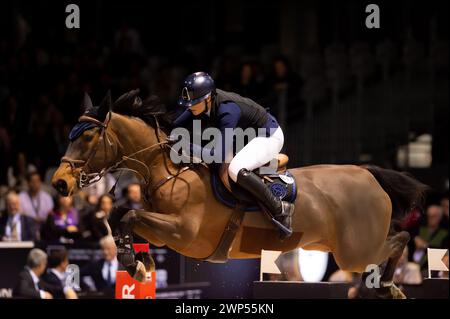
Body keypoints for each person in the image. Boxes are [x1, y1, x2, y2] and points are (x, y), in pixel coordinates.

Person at [172, 72, 293, 238]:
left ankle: (280, 209)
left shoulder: (227, 110)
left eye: (194, 102)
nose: (189, 106)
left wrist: (186, 146)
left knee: (236, 169)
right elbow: (173, 126)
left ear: (208, 99)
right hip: (245, 138)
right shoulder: (199, 105)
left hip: (268, 136)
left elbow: (217, 155)